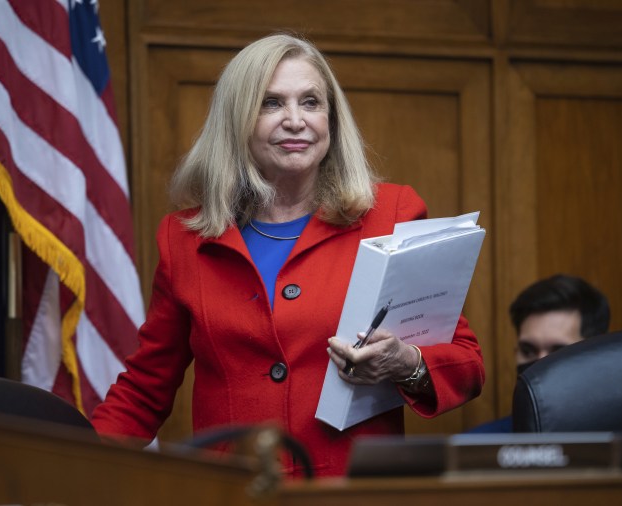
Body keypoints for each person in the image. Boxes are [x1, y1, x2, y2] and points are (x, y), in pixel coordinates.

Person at [91, 33, 485, 477]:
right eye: (271, 103)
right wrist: (68, 469)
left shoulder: (391, 215)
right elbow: (145, 391)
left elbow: (466, 362)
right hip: (235, 491)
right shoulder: (183, 240)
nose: (295, 120)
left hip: (352, 489)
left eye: (311, 102)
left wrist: (405, 363)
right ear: (236, 121)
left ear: (331, 120)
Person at [467, 273, 610, 433]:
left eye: (558, 352)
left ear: (592, 358)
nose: (541, 364)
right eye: (528, 350)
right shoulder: (477, 447)